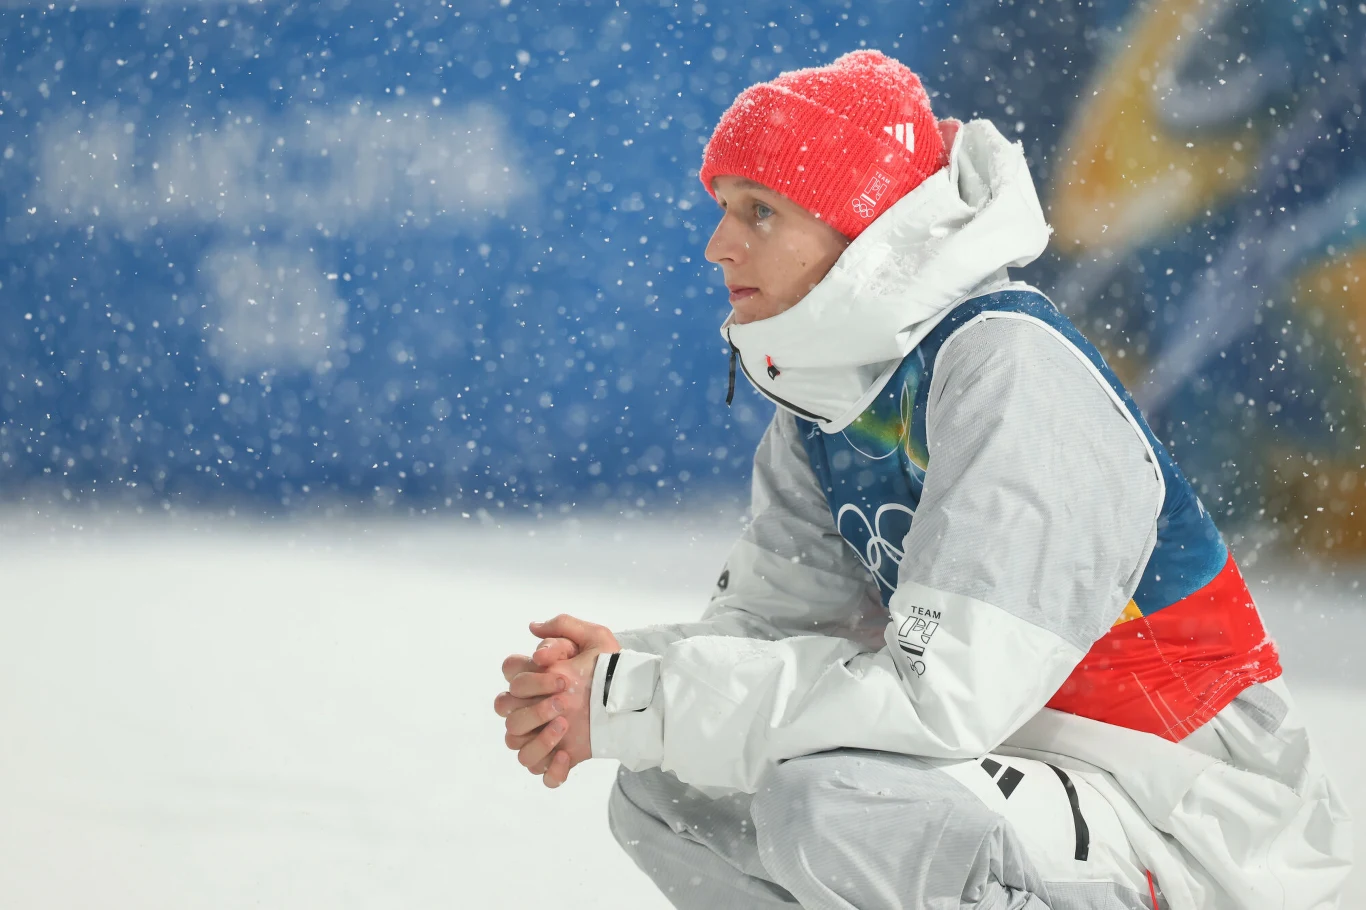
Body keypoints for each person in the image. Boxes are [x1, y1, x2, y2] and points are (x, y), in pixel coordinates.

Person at [492, 50, 1352, 910]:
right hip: (1021, 779)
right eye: (724, 208)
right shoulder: (829, 398)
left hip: (1190, 819)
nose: (720, 244)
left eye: (760, 211)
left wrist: (645, 698)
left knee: (831, 806)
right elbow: (772, 634)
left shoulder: (1010, 366)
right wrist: (618, 673)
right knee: (668, 790)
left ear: (863, 228)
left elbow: (944, 697)